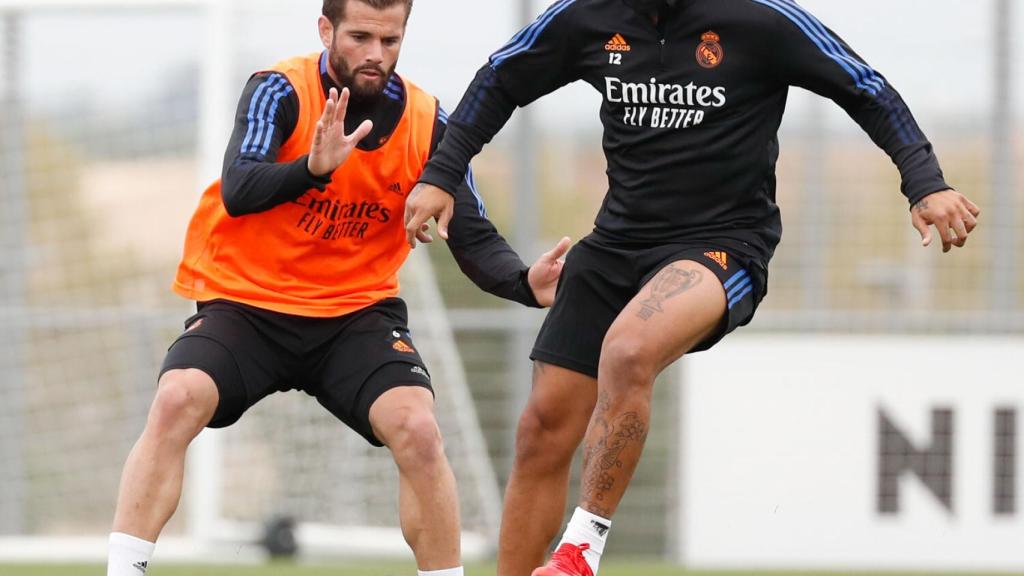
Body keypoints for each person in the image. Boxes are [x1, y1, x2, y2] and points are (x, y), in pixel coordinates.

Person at [404, 0, 980, 575]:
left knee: (629, 349)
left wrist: (923, 181)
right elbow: (501, 78)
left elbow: (863, 85)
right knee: (541, 430)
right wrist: (441, 175)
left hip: (723, 246)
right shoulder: (585, 16)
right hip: (614, 245)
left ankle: (580, 550)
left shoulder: (762, 17)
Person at [105, 1, 570, 575]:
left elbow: (471, 233)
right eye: (360, 37)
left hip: (356, 315)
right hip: (247, 304)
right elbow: (240, 187)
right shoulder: (279, 91)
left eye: (390, 40)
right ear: (326, 29)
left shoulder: (428, 121)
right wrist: (312, 169)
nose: (375, 54)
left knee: (419, 429)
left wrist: (526, 282)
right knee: (177, 398)